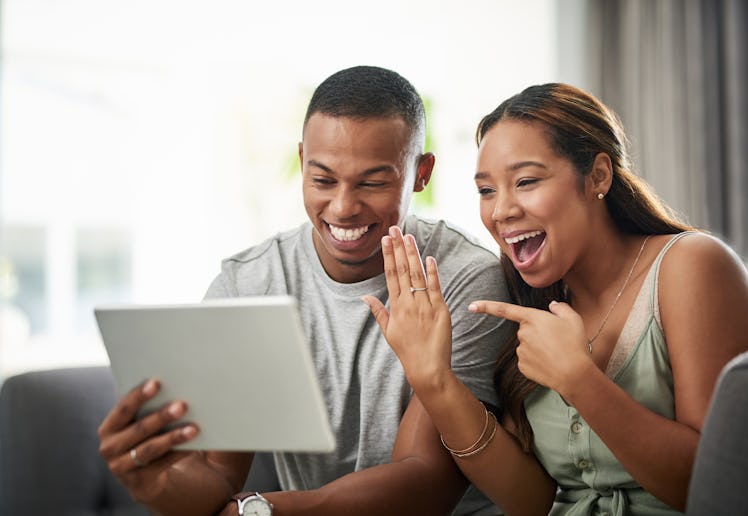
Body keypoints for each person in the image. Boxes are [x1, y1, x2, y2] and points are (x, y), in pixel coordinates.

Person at [97, 65, 515, 516]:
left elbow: (427, 480)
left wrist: (264, 511)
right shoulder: (248, 285)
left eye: (373, 182)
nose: (342, 207)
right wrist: (153, 482)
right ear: (301, 161)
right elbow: (216, 478)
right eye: (322, 179)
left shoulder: (466, 278)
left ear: (421, 172)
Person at [363, 83, 748, 515]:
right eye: (487, 190)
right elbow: (531, 501)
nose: (501, 210)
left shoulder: (691, 266)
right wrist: (433, 380)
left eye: (526, 181)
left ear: (598, 176)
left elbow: (718, 491)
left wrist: (580, 381)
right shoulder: (530, 301)